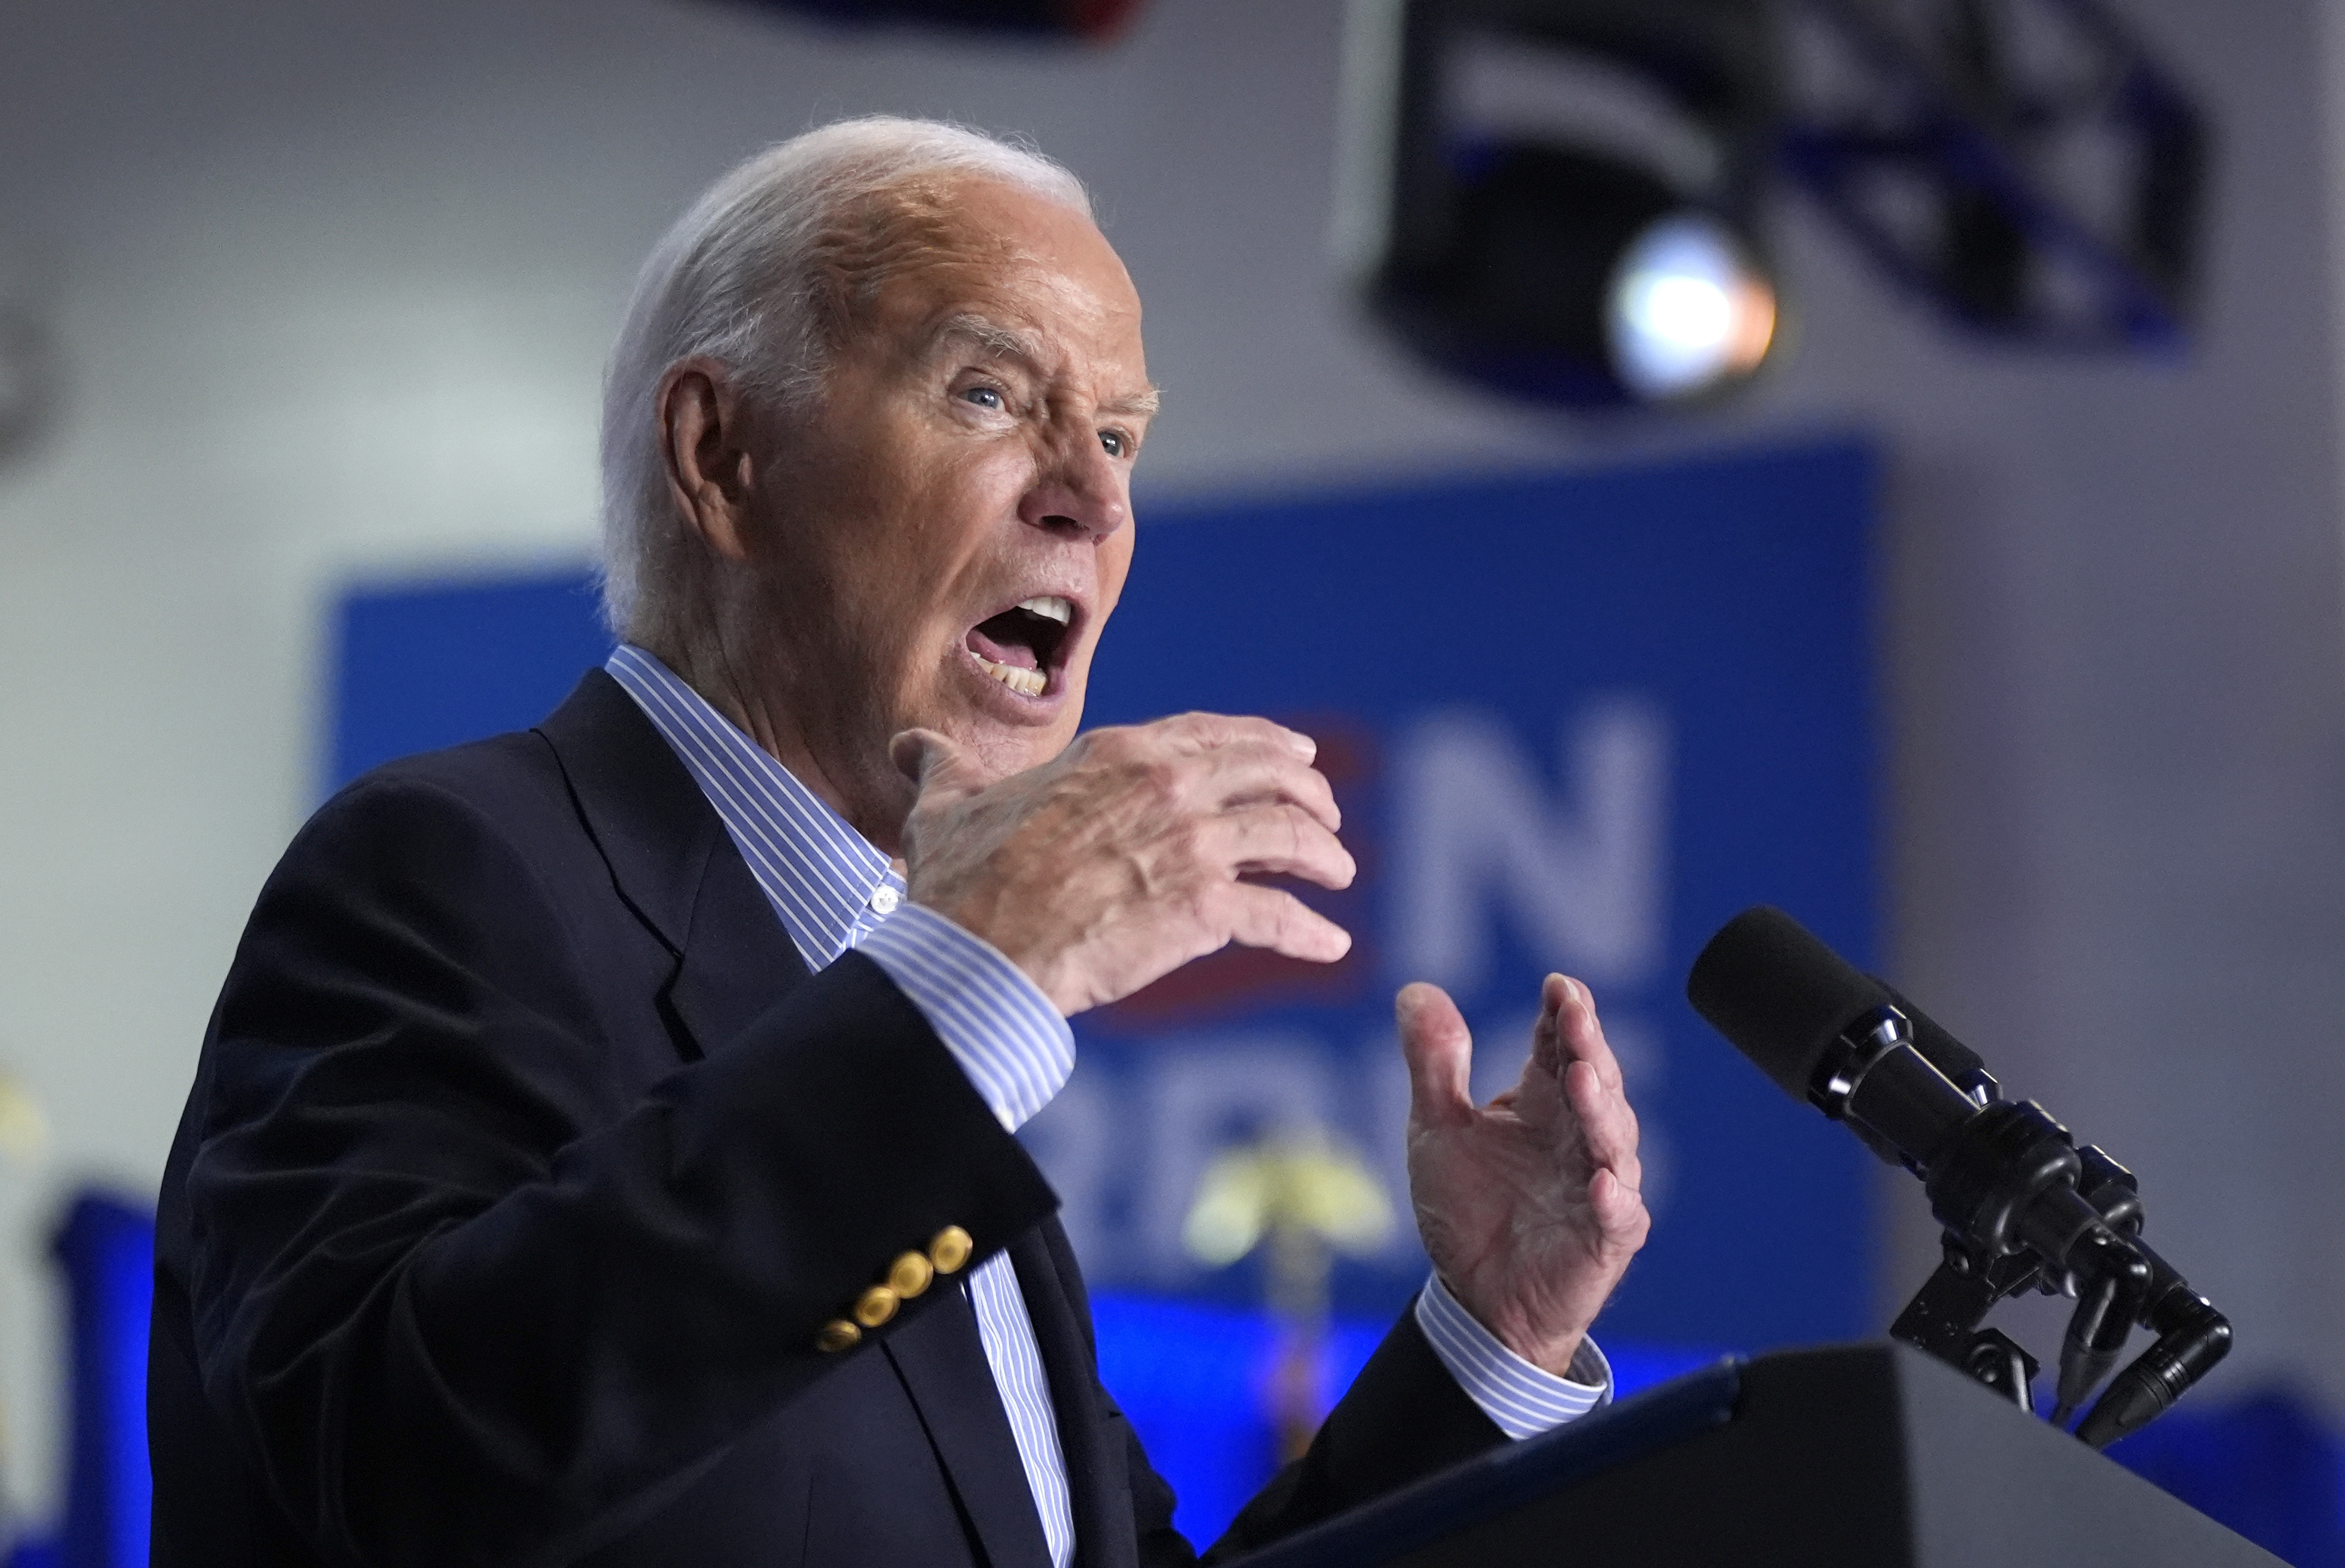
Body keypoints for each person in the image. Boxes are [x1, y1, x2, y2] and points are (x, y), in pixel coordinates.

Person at [148, 117, 1649, 1568]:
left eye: (1119, 433)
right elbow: (397, 1459)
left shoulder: (901, 1052)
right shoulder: (449, 871)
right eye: (992, 394)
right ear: (720, 452)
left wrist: (1489, 1343)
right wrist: (970, 981)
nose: (1094, 497)